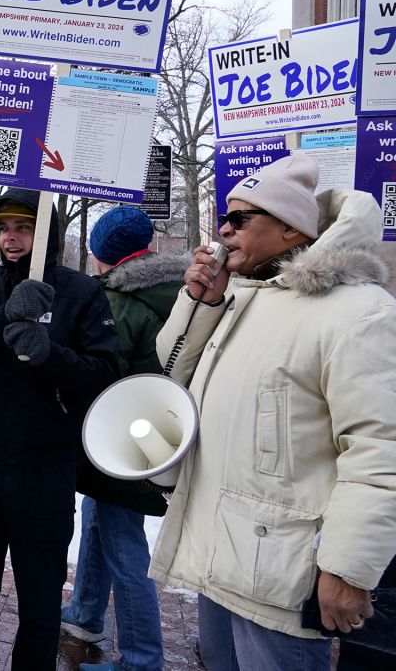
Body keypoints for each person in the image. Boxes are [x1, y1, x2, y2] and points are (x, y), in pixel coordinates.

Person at [150, 155, 396, 669]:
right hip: (220, 554)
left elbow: (381, 449)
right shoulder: (240, 295)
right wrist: (201, 303)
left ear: (289, 228)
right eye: (224, 216)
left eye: (241, 219)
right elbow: (172, 369)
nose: (223, 229)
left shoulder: (359, 313)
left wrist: (348, 569)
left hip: (281, 571)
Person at [0, 188, 119, 670]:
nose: (11, 238)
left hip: (47, 469)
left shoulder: (81, 291)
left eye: (23, 227)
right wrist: (6, 314)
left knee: (40, 606)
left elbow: (103, 374)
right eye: (2, 229)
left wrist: (48, 353)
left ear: (48, 235)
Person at [62, 206, 188, 671]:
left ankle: (140, 657)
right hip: (160, 430)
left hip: (124, 436)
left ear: (101, 255)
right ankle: (85, 613)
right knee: (98, 518)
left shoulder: (119, 300)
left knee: (124, 546)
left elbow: (101, 369)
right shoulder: (184, 291)